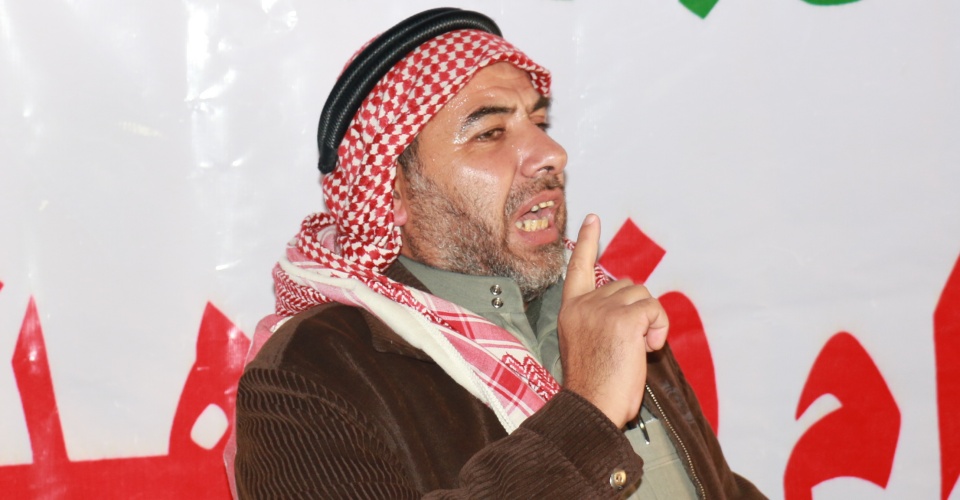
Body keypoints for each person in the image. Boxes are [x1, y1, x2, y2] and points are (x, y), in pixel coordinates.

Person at [231, 8, 765, 499]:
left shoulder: (605, 312)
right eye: (490, 133)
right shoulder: (312, 370)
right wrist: (589, 414)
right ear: (391, 192)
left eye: (540, 124)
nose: (551, 154)